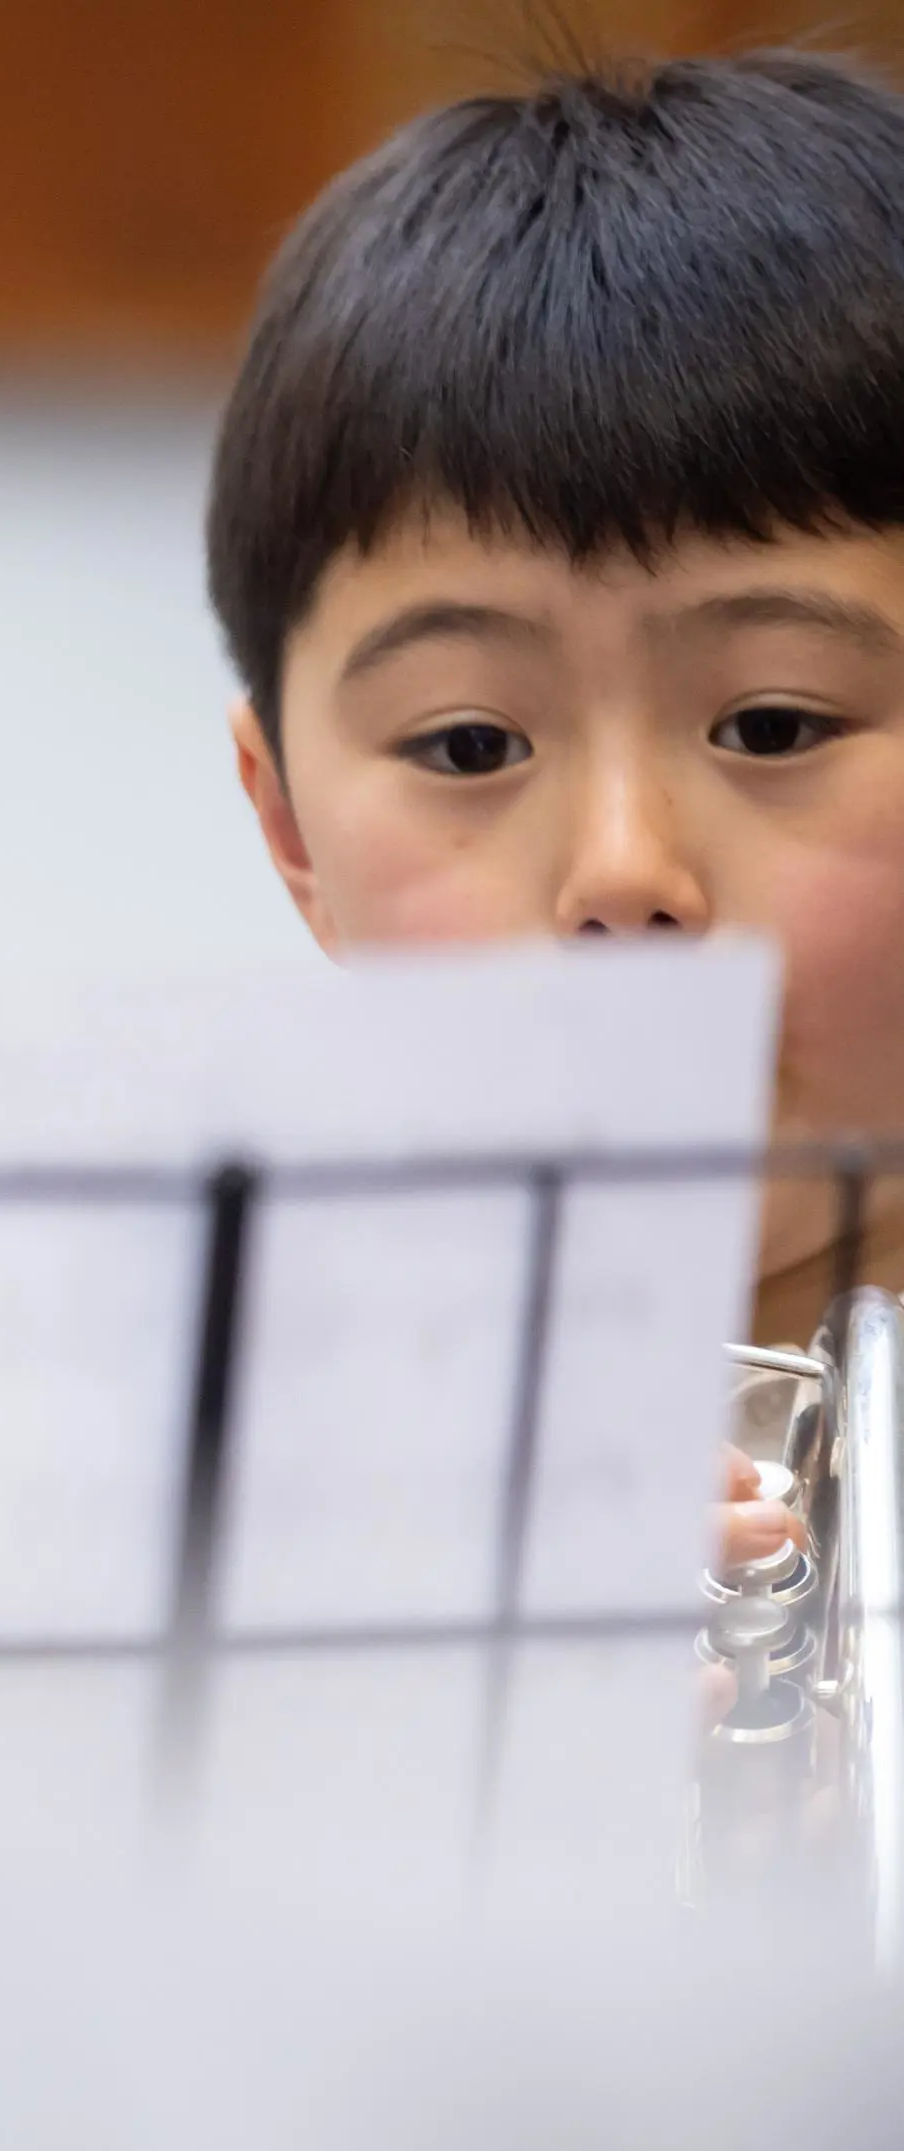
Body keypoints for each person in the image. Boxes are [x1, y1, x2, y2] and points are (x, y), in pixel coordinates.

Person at [215, 50, 904, 1465]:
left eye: (770, 725)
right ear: (291, 835)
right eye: (470, 743)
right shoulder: (227, 1490)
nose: (621, 875)